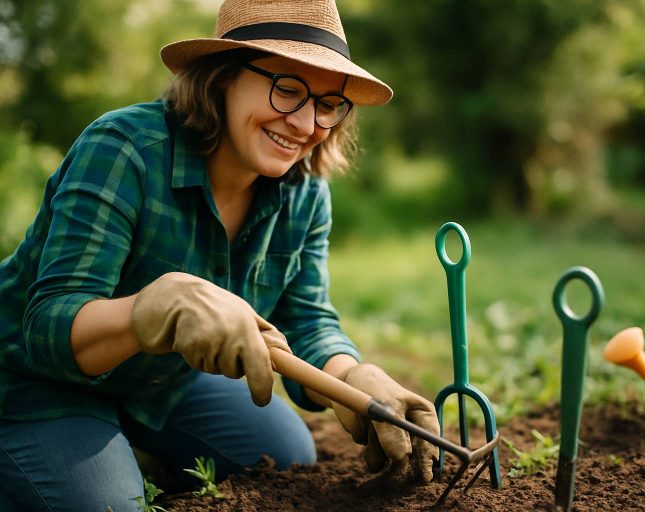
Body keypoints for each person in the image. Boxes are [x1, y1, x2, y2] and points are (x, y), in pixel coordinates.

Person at [0, 1, 440, 510]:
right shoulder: (124, 149)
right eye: (288, 89)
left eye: (328, 102)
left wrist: (355, 378)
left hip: (157, 381)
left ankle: (122, 445)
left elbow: (306, 319)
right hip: (32, 383)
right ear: (222, 77)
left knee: (286, 453)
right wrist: (153, 305)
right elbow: (48, 328)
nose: (305, 124)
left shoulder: (303, 191)